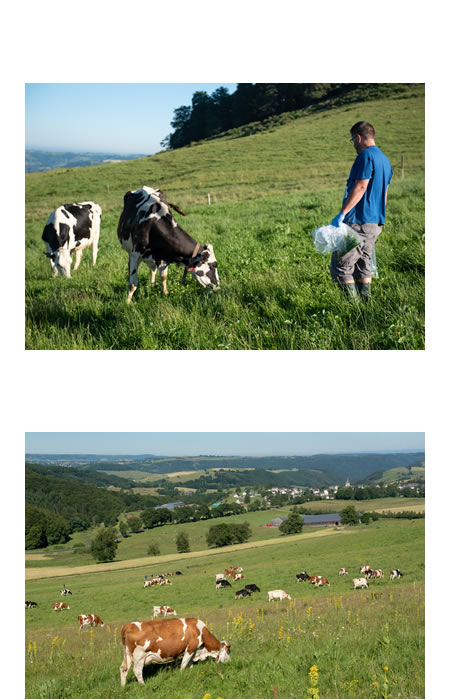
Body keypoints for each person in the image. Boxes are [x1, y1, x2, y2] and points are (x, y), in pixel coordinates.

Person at [329, 121, 393, 300]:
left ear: (358, 138)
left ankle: (352, 311)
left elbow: (361, 186)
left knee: (341, 266)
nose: (354, 145)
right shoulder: (385, 160)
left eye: (353, 140)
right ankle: (366, 309)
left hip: (357, 221)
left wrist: (342, 213)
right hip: (375, 223)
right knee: (363, 266)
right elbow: (384, 194)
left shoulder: (365, 156)